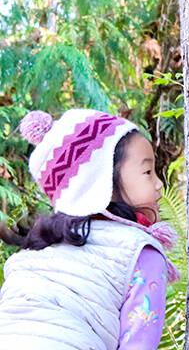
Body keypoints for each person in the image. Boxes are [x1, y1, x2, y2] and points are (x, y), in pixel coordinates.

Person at [0, 109, 179, 349]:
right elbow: (138, 343)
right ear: (100, 181)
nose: (158, 184)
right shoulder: (141, 253)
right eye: (147, 172)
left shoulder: (31, 255)